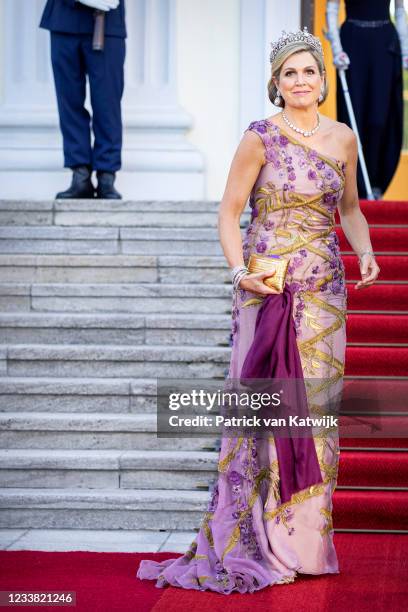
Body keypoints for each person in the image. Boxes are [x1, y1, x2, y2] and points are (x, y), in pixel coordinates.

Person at [136, 28, 380, 594]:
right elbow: (229, 212)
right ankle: (259, 538)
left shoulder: (343, 139)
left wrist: (364, 250)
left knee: (315, 416)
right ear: (276, 83)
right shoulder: (260, 138)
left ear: (324, 78)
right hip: (267, 291)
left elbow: (349, 210)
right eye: (290, 73)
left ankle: (305, 545)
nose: (301, 81)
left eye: (310, 71)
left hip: (325, 293)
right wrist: (240, 271)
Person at [39, 0, 126, 199]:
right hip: (63, 17)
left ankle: (106, 176)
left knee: (107, 103)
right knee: (69, 102)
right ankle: (80, 175)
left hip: (107, 20)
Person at [326, 0, 408, 199]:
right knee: (354, 116)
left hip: (385, 44)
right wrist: (337, 49)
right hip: (353, 43)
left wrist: (405, 49)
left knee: (381, 118)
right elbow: (332, 9)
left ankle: (376, 181)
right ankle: (356, 188)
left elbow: (399, 10)